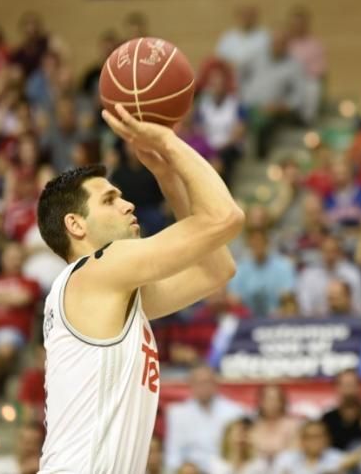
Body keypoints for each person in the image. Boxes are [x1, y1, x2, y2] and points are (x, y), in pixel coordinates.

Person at [37, 104, 243, 473]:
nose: (128, 204)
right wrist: (167, 140)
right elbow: (225, 217)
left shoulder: (107, 293)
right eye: (109, 200)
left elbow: (217, 269)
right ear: (75, 224)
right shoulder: (101, 268)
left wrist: (168, 179)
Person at [0, 243, 41, 397]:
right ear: (1, 260)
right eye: (11, 257)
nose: (15, 261)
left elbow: (22, 300)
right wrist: (9, 297)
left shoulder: (30, 282)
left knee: (5, 347)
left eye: (18, 258)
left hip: (13, 331)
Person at [163, 363, 246, 471]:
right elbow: (173, 454)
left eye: (207, 382)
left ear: (215, 383)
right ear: (191, 384)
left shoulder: (235, 412)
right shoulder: (177, 413)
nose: (203, 387)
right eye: (198, 382)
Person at [296, 236, 361, 317]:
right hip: (316, 322)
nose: (329, 255)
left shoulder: (353, 274)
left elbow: (359, 306)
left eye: (333, 251)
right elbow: (305, 308)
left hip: (348, 320)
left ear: (339, 252)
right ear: (320, 252)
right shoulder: (308, 276)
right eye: (326, 251)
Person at [251, 384, 303, 461]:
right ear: (260, 401)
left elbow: (295, 454)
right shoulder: (251, 425)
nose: (272, 403)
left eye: (276, 399)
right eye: (268, 399)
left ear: (283, 402)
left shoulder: (293, 425)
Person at [270, 420, 344, 474]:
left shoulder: (339, 458)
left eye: (319, 436)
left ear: (327, 439)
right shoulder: (286, 459)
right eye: (310, 437)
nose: (315, 441)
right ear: (302, 440)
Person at [321, 369, 361, 451]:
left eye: (352, 384)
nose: (349, 390)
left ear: (360, 387)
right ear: (337, 387)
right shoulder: (328, 419)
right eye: (345, 385)